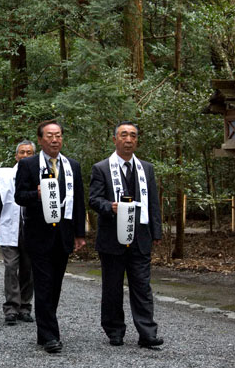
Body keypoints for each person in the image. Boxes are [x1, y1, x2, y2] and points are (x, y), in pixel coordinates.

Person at [89, 121, 163, 348]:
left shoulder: (146, 169)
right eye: (124, 135)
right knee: (112, 287)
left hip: (140, 236)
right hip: (112, 237)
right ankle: (114, 330)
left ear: (137, 140)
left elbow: (152, 202)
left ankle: (147, 333)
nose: (128, 139)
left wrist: (156, 232)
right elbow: (94, 199)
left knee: (142, 286)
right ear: (115, 139)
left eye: (132, 135)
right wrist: (108, 206)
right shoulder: (101, 168)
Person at [14, 120, 86, 354]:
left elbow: (79, 202)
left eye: (58, 136)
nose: (55, 140)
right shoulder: (28, 165)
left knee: (54, 286)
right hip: (38, 235)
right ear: (40, 140)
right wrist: (35, 193)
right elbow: (19, 197)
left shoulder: (71, 166)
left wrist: (79, 233)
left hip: (63, 235)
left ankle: (43, 331)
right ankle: (50, 336)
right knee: (43, 284)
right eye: (50, 136)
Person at [0, 140, 36, 325]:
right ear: (16, 155)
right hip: (9, 228)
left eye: (29, 153)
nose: (25, 156)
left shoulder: (40, 174)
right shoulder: (4, 175)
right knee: (10, 267)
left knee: (28, 269)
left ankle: (25, 306)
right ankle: (11, 307)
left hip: (32, 229)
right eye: (22, 152)